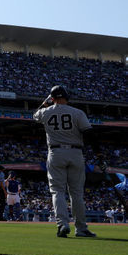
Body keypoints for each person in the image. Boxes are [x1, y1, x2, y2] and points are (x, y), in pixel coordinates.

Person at [34, 85, 97, 238]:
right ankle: (81, 229)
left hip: (55, 152)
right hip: (75, 152)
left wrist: (45, 103)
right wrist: (99, 154)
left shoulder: (45, 111)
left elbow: (34, 115)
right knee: (77, 194)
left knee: (57, 191)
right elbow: (89, 133)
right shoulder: (77, 112)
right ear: (67, 97)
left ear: (52, 98)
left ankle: (62, 225)